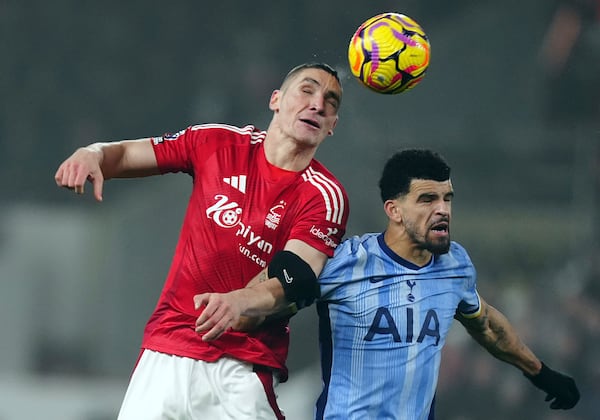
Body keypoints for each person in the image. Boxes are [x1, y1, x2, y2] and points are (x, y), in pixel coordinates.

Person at [54, 62, 349, 420]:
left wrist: (241, 300)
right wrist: (94, 153)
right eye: (307, 90)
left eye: (330, 101)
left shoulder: (324, 196)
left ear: (332, 125)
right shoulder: (216, 142)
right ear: (276, 99)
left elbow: (296, 278)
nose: (317, 104)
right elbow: (130, 154)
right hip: (167, 352)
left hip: (241, 367)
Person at [195, 149, 580, 419]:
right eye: (427, 199)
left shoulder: (455, 265)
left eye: (447, 198)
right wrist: (237, 306)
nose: (442, 209)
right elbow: (270, 298)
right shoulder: (345, 262)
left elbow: (487, 324)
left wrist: (540, 372)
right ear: (393, 210)